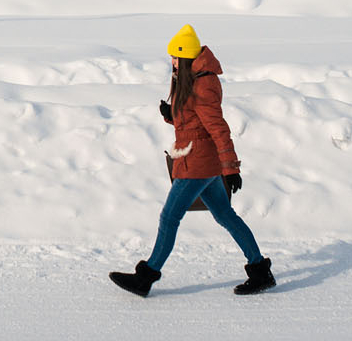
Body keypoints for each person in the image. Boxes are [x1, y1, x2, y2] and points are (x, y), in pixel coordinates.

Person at [108, 24, 276, 297]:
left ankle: (146, 277)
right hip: (201, 161)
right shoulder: (193, 79)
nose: (172, 61)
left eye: (175, 57)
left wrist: (231, 168)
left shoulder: (203, 84)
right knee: (225, 215)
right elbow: (195, 121)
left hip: (197, 164)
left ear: (185, 56)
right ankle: (260, 271)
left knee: (169, 217)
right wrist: (172, 115)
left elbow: (218, 128)